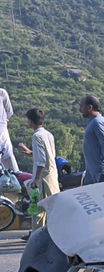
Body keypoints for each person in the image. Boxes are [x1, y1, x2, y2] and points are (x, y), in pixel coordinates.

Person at [21, 108, 59, 237]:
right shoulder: (48, 134)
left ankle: (37, 236)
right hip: (52, 175)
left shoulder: (36, 136)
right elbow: (49, 154)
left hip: (43, 177)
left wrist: (36, 179)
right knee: (52, 208)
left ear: (30, 121)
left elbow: (41, 161)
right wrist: (31, 152)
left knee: (38, 209)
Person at [0, 87, 19, 172]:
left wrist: (3, 122)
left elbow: (9, 112)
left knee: (11, 168)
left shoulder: (2, 93)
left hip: (2, 133)